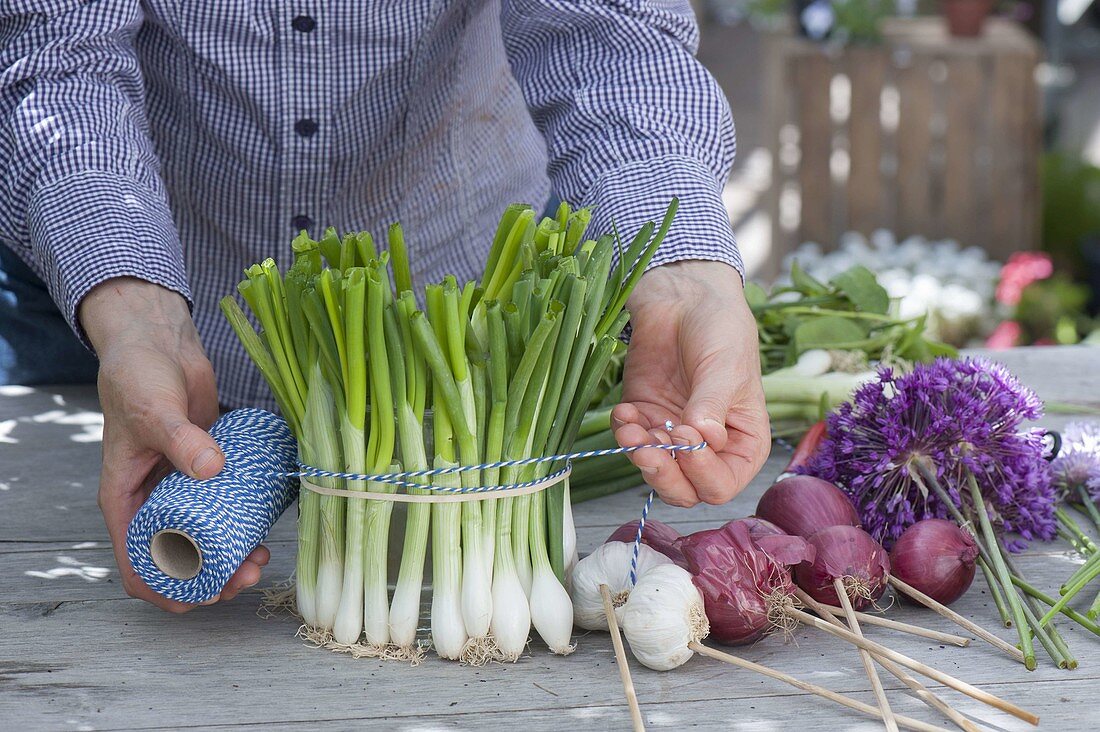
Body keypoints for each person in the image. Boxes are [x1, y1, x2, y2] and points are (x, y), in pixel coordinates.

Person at [1, 2, 769, 612]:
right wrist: (136, 318)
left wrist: (685, 279)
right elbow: (57, 59)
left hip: (460, 315)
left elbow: (610, 38)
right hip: (136, 294)